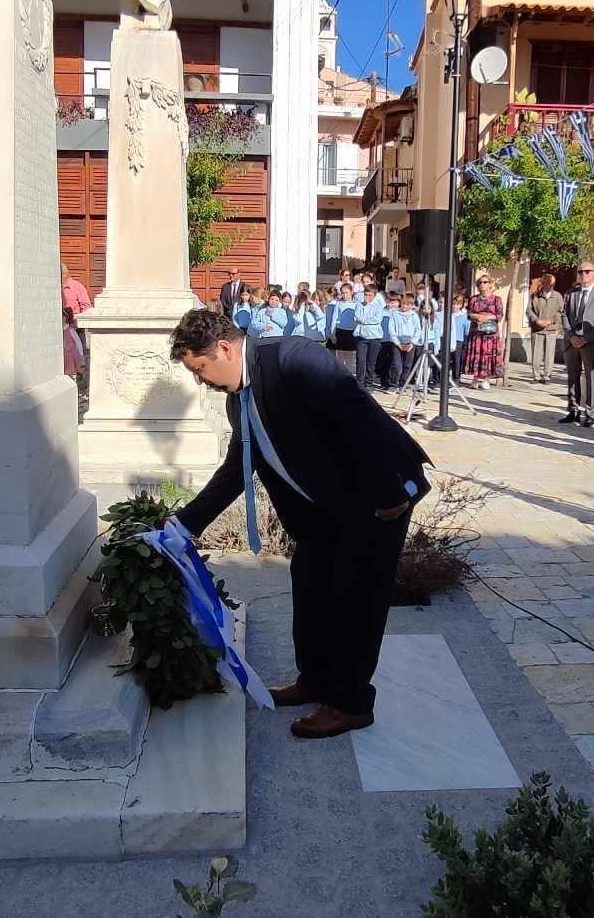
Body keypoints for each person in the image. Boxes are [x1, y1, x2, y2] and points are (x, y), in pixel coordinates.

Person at [169, 309, 430, 738]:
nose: (201, 381)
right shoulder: (239, 397)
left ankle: (349, 703)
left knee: (355, 602)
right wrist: (184, 525)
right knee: (311, 589)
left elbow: (359, 420)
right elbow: (240, 465)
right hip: (322, 513)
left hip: (378, 499)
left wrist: (389, 496)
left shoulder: (294, 358)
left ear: (225, 348)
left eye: (201, 369)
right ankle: (316, 680)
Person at [559, 262, 594, 425]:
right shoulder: (570, 292)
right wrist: (571, 335)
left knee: (591, 378)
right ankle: (573, 410)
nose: (584, 274)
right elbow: (564, 315)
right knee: (572, 377)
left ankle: (591, 413)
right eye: (580, 271)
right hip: (572, 342)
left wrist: (586, 338)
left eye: (588, 271)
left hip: (591, 341)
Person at [464, 272, 504, 390]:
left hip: (490, 333)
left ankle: (486, 379)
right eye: (480, 282)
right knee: (477, 354)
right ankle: (476, 378)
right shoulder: (474, 299)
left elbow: (499, 315)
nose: (482, 284)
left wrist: (486, 317)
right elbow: (468, 314)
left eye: (485, 282)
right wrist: (476, 317)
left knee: (488, 354)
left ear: (490, 284)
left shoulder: (496, 299)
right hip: (477, 332)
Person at [527, 273, 564, 384]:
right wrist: (537, 320)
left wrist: (551, 321)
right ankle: (536, 375)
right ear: (542, 283)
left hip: (551, 329)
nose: (548, 285)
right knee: (536, 353)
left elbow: (560, 312)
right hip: (537, 328)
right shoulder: (535, 295)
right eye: (546, 282)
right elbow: (529, 310)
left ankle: (547, 375)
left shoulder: (557, 296)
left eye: (551, 283)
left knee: (549, 353)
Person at [353, 276, 386, 388]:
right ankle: (359, 383)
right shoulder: (359, 304)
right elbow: (356, 317)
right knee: (361, 360)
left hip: (374, 336)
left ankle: (369, 383)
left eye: (369, 295)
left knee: (371, 362)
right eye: (365, 295)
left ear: (374, 296)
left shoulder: (378, 306)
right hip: (362, 336)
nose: (367, 297)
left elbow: (376, 319)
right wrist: (364, 311)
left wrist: (363, 320)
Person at [384, 292, 420, 389]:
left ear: (412, 306)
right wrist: (398, 343)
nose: (404, 306)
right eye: (403, 303)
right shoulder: (395, 314)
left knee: (407, 365)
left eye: (408, 304)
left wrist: (412, 343)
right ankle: (393, 383)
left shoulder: (414, 315)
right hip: (397, 343)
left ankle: (403, 383)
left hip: (410, 343)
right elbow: (391, 330)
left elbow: (417, 330)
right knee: (397, 365)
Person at [328, 281, 356, 366]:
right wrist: (332, 333)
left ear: (351, 292)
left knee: (349, 356)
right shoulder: (339, 304)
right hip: (340, 331)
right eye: (343, 293)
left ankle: (349, 374)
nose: (345, 295)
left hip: (351, 331)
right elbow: (334, 318)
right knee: (339, 355)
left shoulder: (356, 304)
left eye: (347, 292)